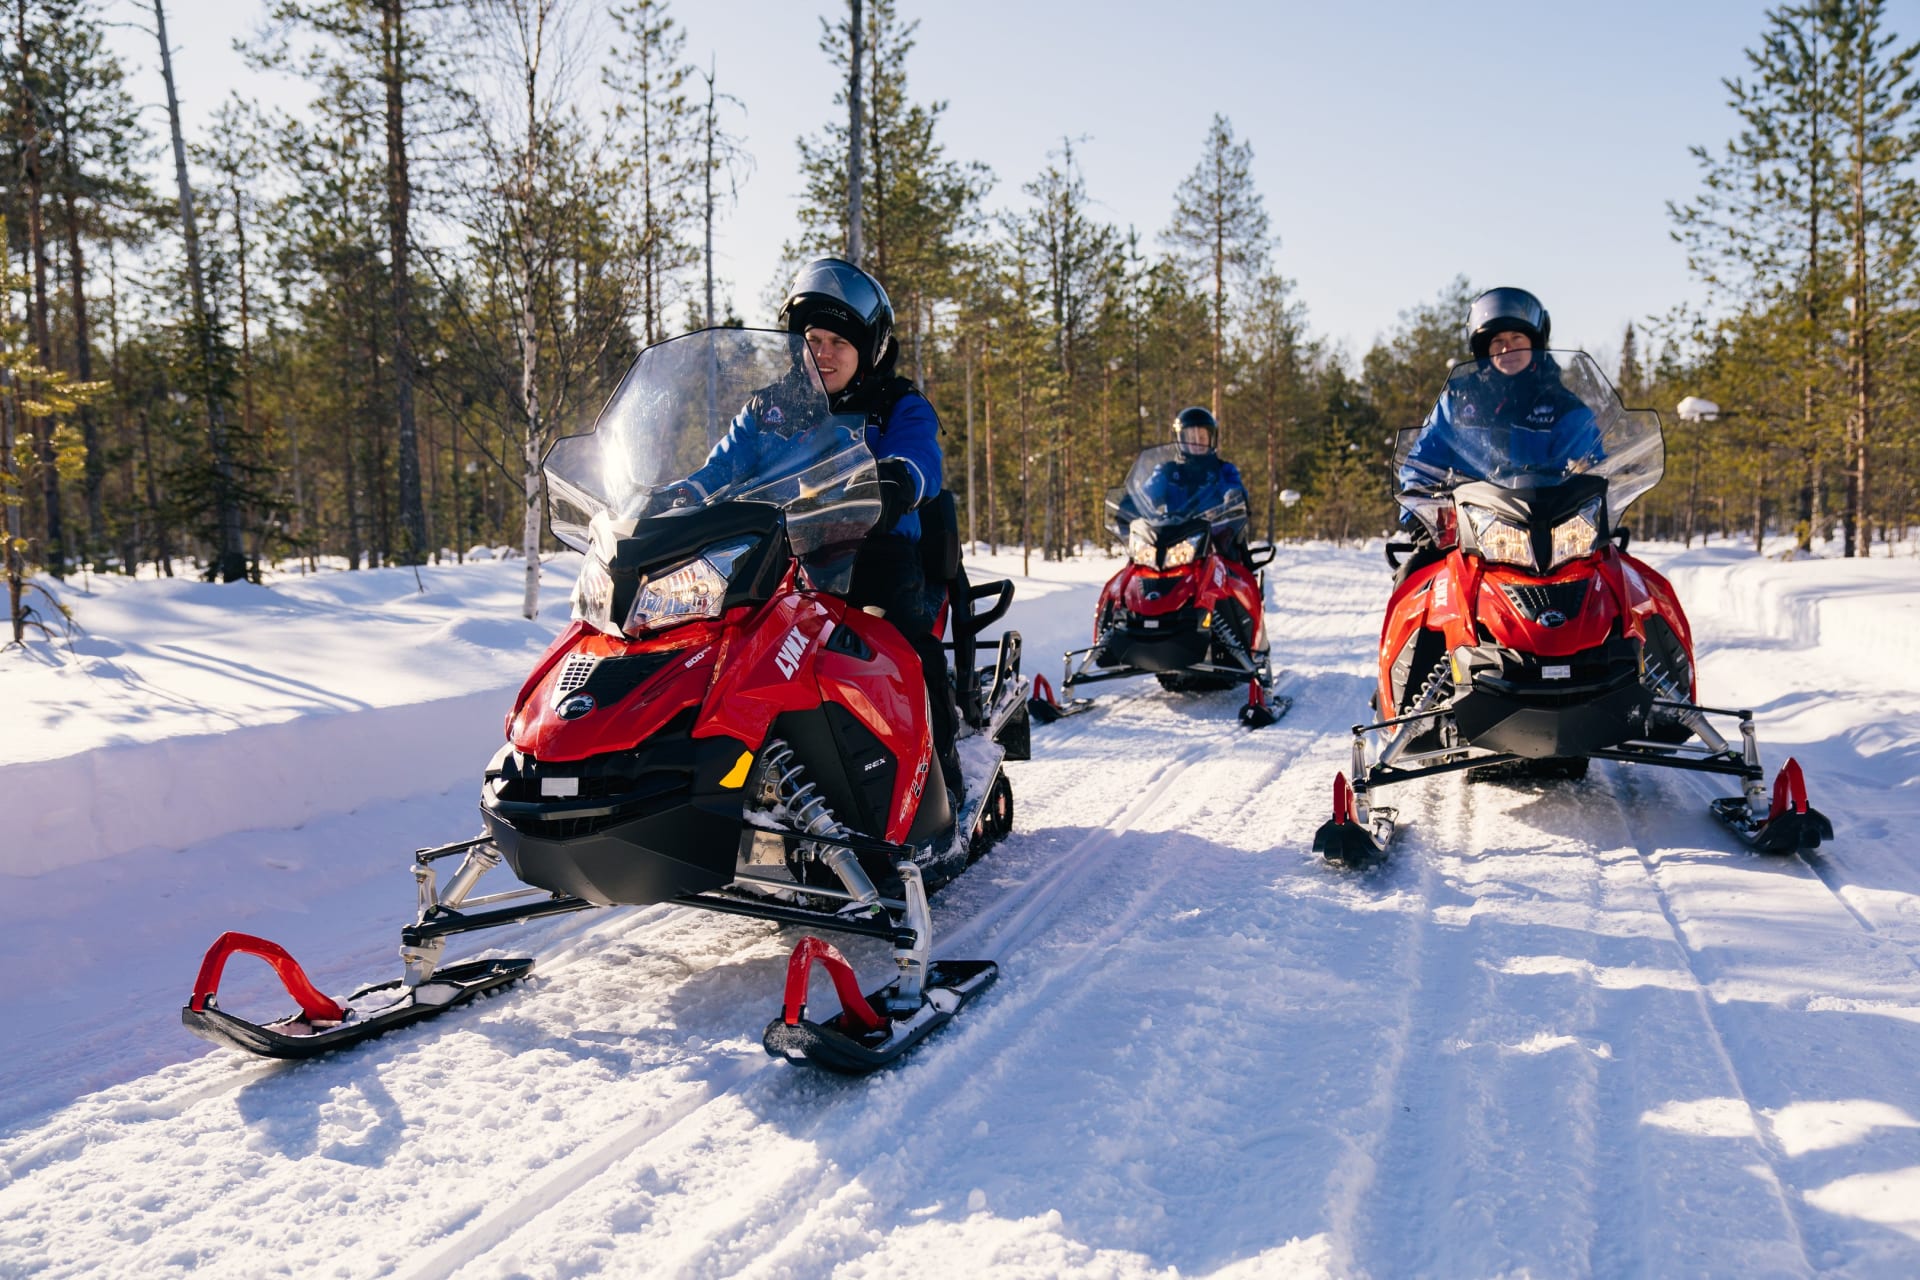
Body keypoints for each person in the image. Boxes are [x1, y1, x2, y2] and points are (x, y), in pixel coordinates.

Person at [678, 257, 966, 807]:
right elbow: (720, 469)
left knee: (906, 651)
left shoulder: (895, 404)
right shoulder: (769, 409)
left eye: (838, 340)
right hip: (775, 562)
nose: (823, 352)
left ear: (868, 350)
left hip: (871, 558)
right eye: (813, 338)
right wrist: (682, 494)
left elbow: (919, 453)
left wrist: (900, 478)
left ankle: (942, 784)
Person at [1393, 287, 1603, 580]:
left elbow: (1595, 462)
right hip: (1472, 531)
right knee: (1413, 579)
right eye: (1498, 341)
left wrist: (1596, 491)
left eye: (1517, 338)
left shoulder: (1565, 407)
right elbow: (1422, 462)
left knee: (1623, 582)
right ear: (1484, 349)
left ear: (1535, 343)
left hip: (1555, 534)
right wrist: (1423, 513)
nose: (1508, 348)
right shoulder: (1458, 401)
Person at [1141, 406, 1253, 563]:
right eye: (1190, 438)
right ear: (1180, 440)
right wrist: (1132, 502)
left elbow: (1234, 488)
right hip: (1173, 540)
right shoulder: (1167, 471)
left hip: (1215, 540)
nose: (1196, 443)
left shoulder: (1223, 470)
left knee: (1234, 564)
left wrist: (1233, 496)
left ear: (1211, 439)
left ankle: (1242, 586)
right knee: (1138, 568)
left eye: (1202, 438)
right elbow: (1148, 493)